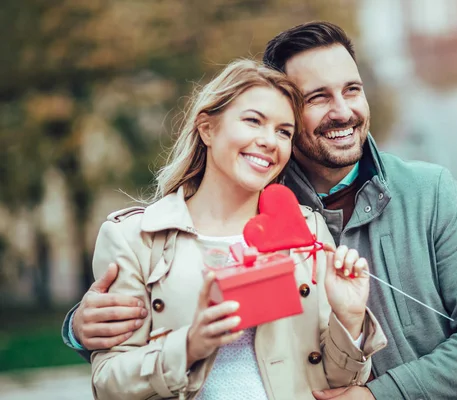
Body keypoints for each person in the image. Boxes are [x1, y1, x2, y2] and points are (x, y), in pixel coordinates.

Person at [63, 22, 457, 399]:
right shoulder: (250, 190)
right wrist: (79, 327)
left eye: (352, 89)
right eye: (318, 97)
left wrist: (378, 393)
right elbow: (136, 345)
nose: (343, 111)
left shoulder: (430, 191)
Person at [79, 59, 387, 400]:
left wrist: (350, 319)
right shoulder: (136, 238)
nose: (269, 141)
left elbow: (336, 380)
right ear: (207, 128)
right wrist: (190, 346)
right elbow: (107, 384)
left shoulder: (307, 228)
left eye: (283, 131)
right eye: (254, 121)